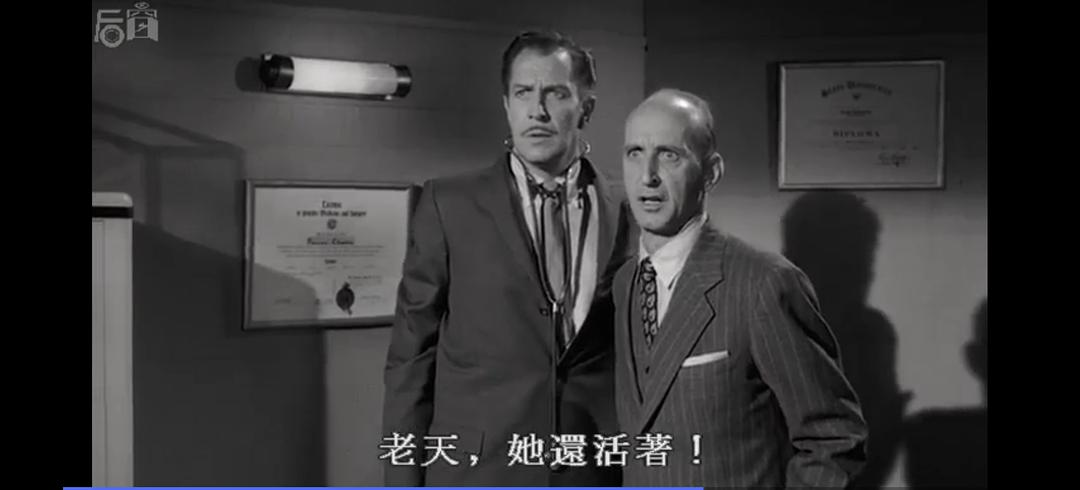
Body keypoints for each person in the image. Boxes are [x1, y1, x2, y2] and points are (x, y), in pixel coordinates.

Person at [381, 31, 634, 486]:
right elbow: (411, 355)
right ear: (506, 105)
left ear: (586, 108)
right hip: (479, 470)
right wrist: (402, 479)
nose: (537, 111)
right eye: (523, 93)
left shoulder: (627, 208)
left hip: (592, 469)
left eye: (555, 93)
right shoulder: (449, 204)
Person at [612, 88, 869, 487]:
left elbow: (833, 437)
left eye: (669, 155)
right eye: (635, 153)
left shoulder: (763, 283)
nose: (648, 176)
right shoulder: (625, 282)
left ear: (711, 173)